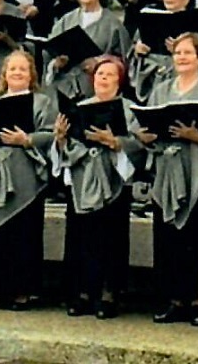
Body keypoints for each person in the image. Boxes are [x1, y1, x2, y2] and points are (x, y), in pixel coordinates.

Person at [140, 34, 198, 327]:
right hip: (170, 170)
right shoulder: (161, 90)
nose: (181, 57)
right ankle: (175, 299)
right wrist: (147, 136)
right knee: (172, 238)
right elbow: (147, 125)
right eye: (177, 53)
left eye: (188, 53)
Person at [52, 56, 144, 319]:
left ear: (120, 80)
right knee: (82, 238)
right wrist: (60, 139)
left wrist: (115, 143)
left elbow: (139, 144)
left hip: (113, 177)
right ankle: (83, 292)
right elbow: (66, 144)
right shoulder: (80, 106)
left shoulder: (129, 109)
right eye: (99, 74)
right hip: (82, 178)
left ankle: (109, 293)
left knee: (111, 238)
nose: (103, 78)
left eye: (109, 74)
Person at [0, 50, 58, 310]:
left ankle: (23, 290)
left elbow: (50, 133)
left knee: (23, 234)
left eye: (23, 69)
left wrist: (27, 140)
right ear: (4, 74)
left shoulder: (42, 101)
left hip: (25, 175)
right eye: (12, 69)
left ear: (31, 75)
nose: (17, 73)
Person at [42, 0, 132, 101]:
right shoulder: (66, 20)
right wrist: (56, 63)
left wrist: (99, 63)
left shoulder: (113, 25)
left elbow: (124, 59)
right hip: (62, 90)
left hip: (94, 91)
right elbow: (48, 52)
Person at [128, 0, 198, 103]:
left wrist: (181, 51)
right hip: (152, 82)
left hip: (185, 84)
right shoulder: (148, 19)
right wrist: (138, 51)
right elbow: (132, 54)